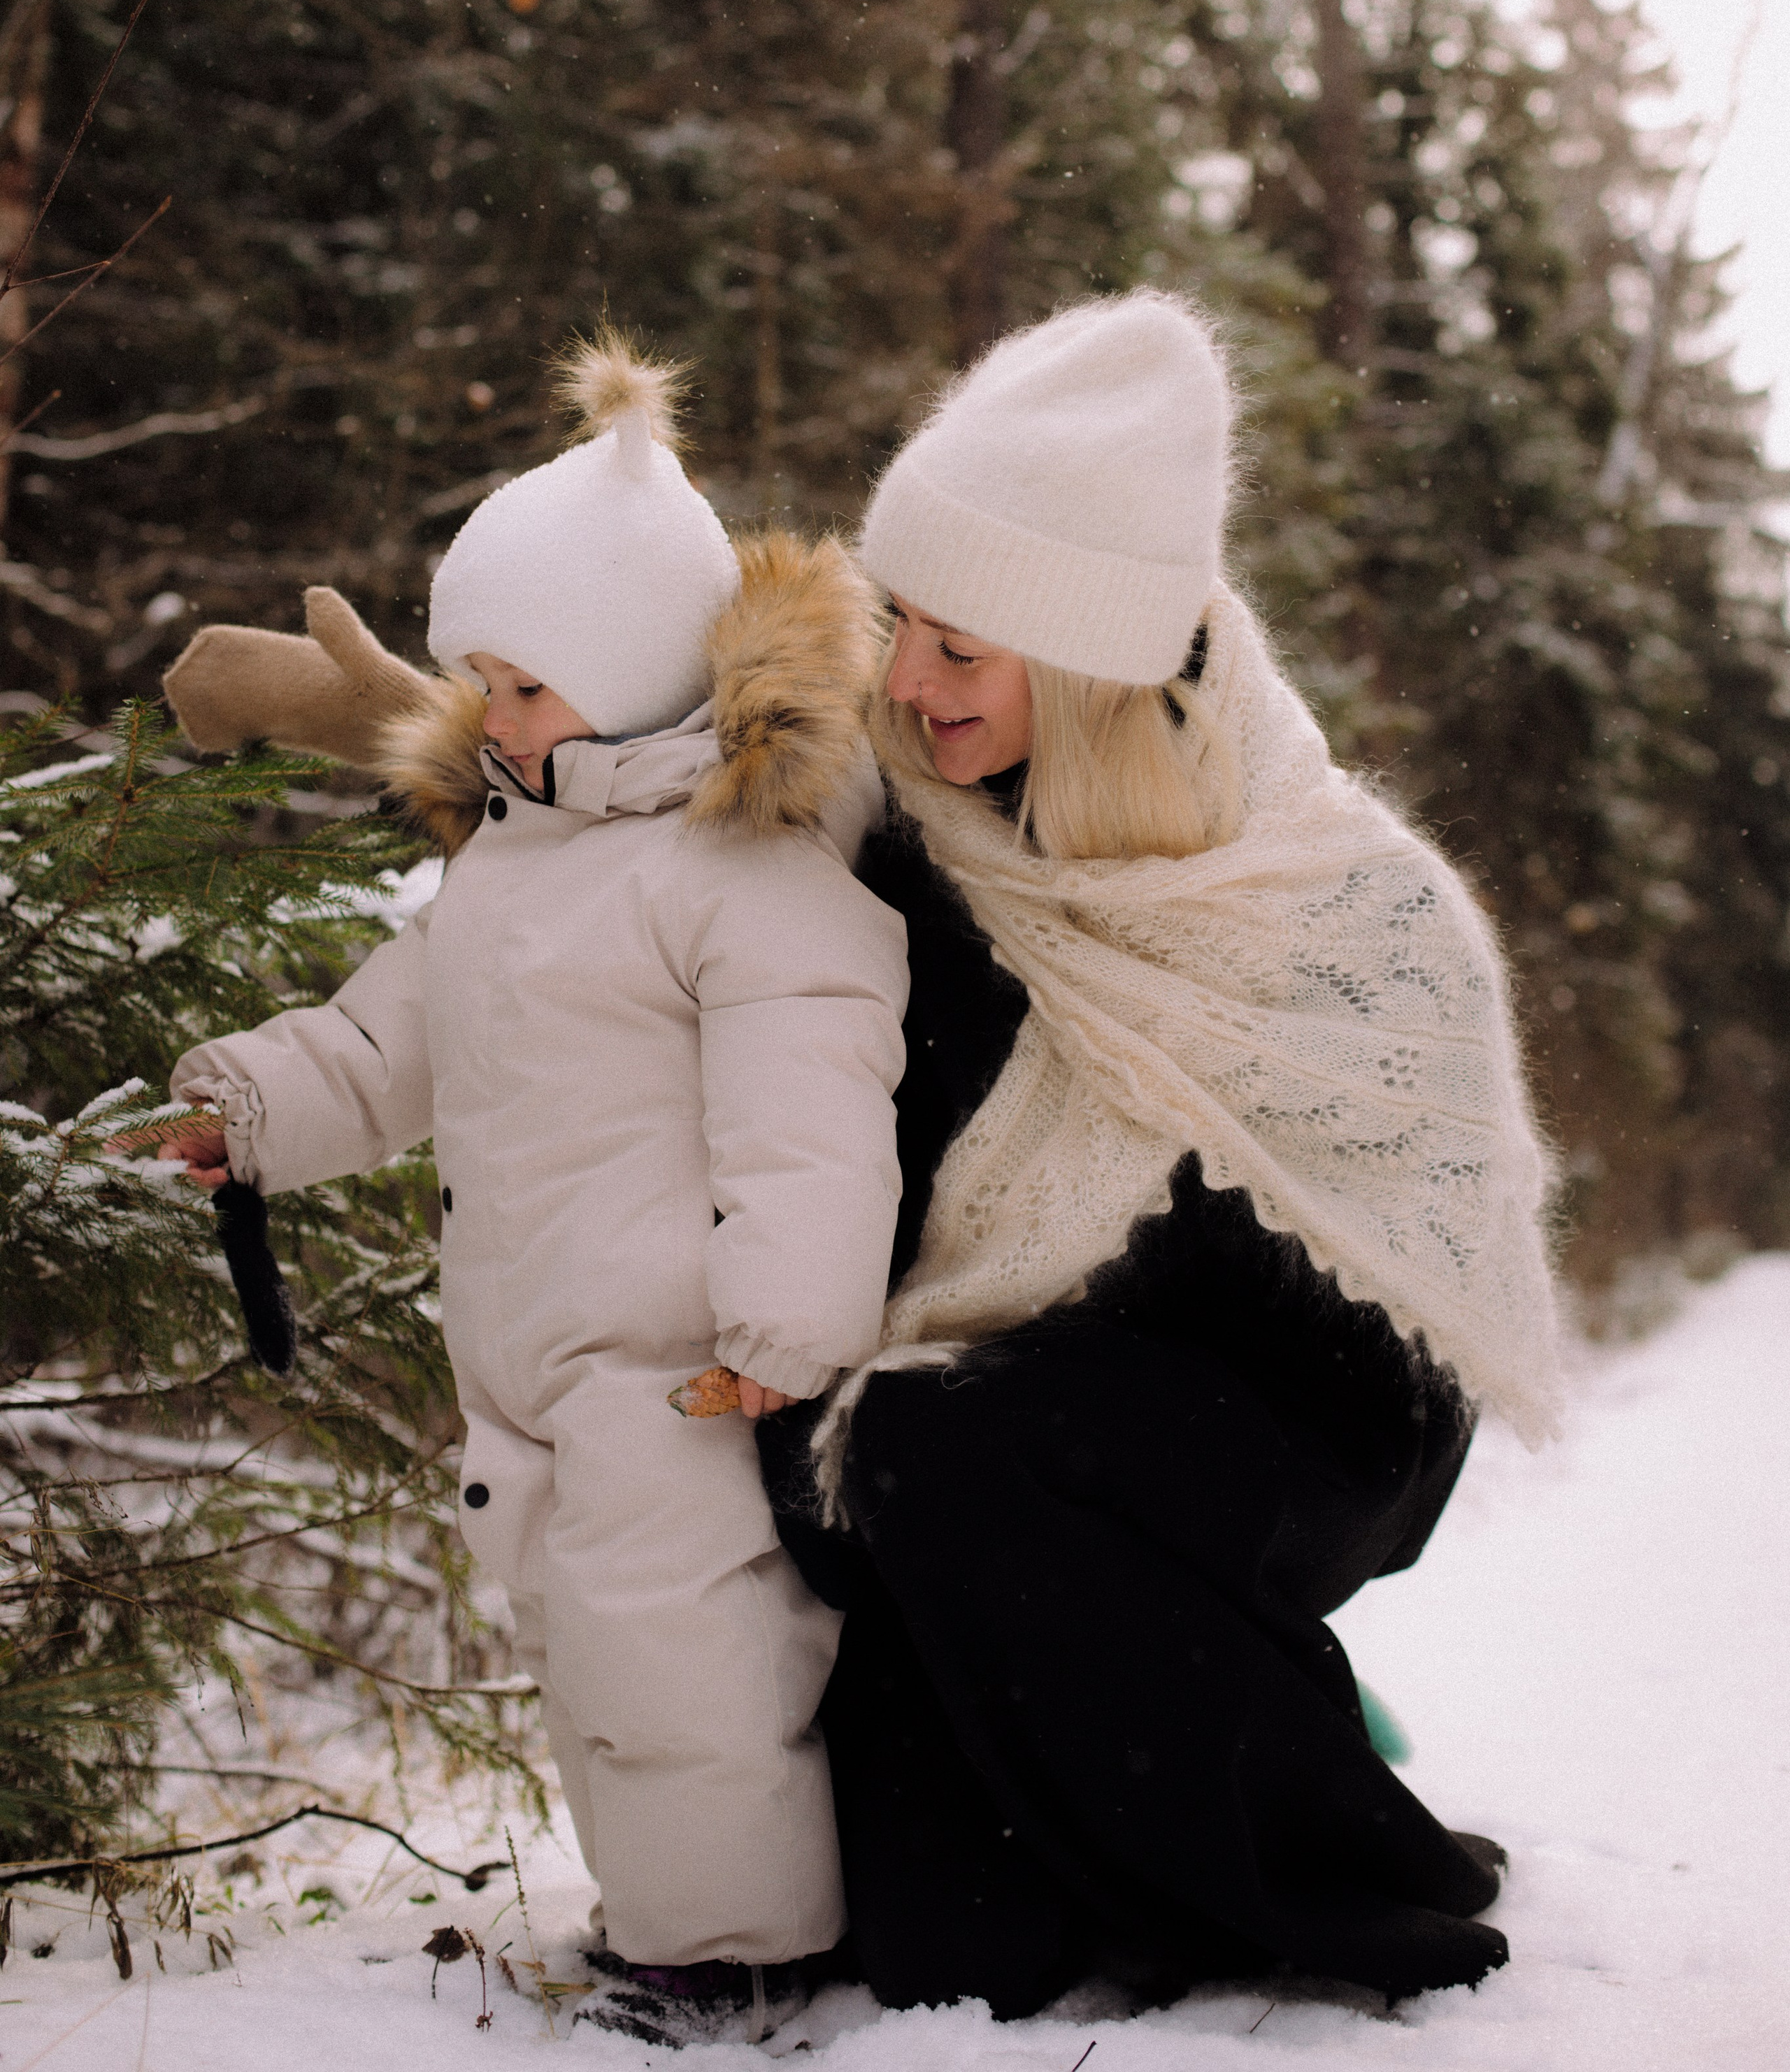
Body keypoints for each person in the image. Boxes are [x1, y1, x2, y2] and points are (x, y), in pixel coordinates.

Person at [756, 288, 1563, 2019]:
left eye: (960, 649)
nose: (905, 683)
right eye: (900, 624)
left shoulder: (1341, 897)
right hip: (994, 1406)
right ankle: (1154, 1766)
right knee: (947, 1951)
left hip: (1318, 1395)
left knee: (933, 1440)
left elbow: (1403, 1253)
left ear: (1087, 659)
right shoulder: (913, 839)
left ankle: (1339, 1868)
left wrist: (1116, 1346)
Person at [157, 337, 908, 2052]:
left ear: (641, 668)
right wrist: (258, 1105)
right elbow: (384, 1042)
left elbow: (811, 1102)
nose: (487, 720)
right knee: (585, 1649)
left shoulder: (739, 870)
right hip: (522, 1359)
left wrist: (791, 1320)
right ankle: (669, 1911)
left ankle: (735, 1951)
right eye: (481, 681)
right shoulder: (507, 866)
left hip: (676, 1362)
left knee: (683, 1662)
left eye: (525, 686)